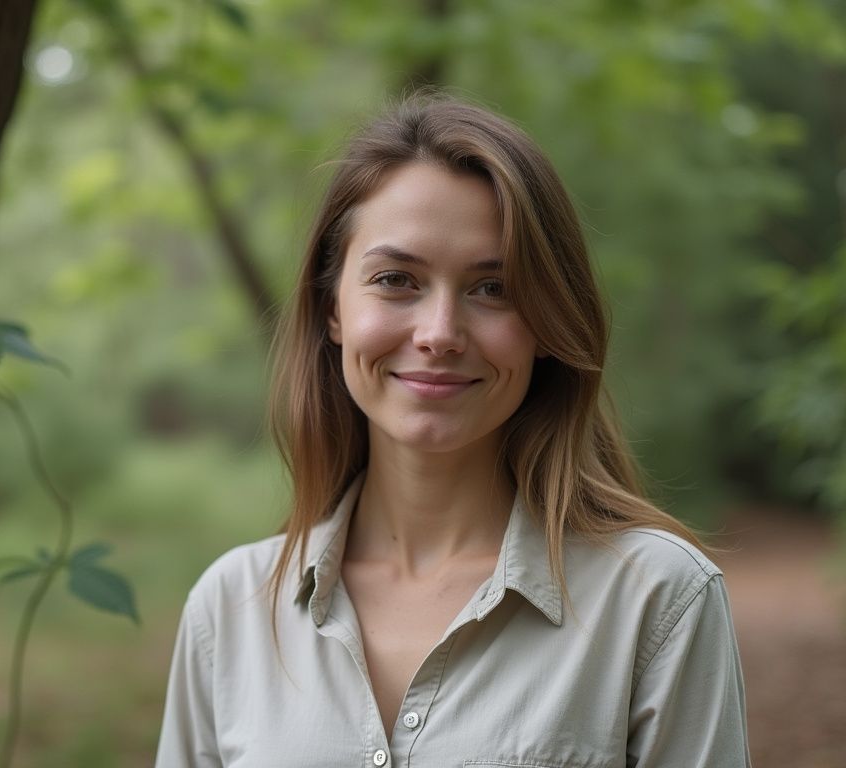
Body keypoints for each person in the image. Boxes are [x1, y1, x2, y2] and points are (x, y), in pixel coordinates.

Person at [155, 94, 750, 767]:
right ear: (333, 310)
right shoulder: (230, 610)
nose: (439, 334)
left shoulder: (656, 601)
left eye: (493, 288)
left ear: (547, 322)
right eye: (395, 280)